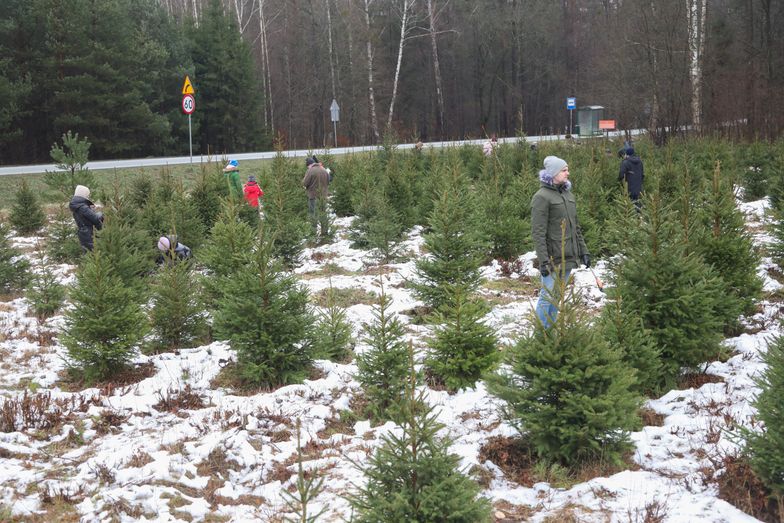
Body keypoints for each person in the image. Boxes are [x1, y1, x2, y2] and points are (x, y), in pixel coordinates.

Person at [531, 156, 590, 328]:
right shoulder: (542, 197)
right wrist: (543, 261)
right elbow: (538, 232)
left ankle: (551, 333)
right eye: (564, 170)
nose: (567, 173)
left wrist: (583, 251)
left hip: (568, 255)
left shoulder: (568, 195)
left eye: (567, 169)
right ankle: (541, 335)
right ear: (554, 173)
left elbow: (575, 227)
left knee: (557, 296)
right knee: (547, 296)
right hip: (552, 257)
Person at [302, 155, 331, 238]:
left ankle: (313, 232)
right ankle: (325, 232)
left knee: (313, 214)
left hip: (313, 196)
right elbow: (329, 180)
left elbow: (304, 183)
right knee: (323, 213)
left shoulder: (310, 171)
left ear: (309, 165)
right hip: (323, 196)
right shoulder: (323, 169)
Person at [69, 185, 103, 252]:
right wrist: (101, 214)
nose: (88, 196)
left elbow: (86, 218)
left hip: (83, 233)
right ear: (83, 194)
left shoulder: (76, 206)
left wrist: (91, 210)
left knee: (87, 253)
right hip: (89, 233)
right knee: (93, 253)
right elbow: (96, 219)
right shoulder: (83, 207)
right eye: (87, 194)